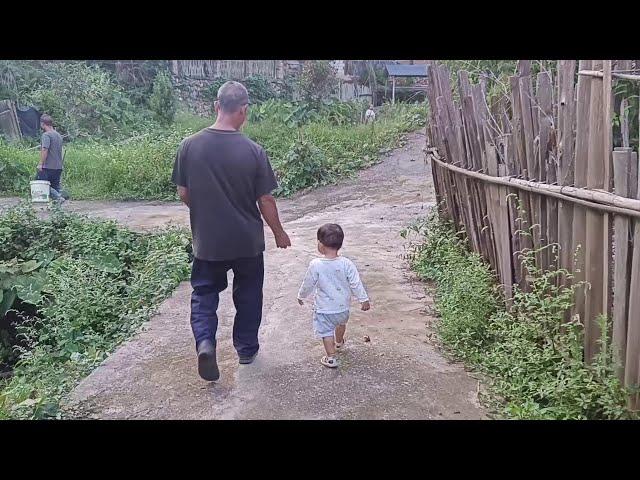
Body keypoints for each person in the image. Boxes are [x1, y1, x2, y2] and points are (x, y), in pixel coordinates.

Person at [172, 81, 291, 382]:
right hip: (247, 241)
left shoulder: (189, 145)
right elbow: (265, 199)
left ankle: (205, 343)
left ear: (216, 106)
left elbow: (184, 193)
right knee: (249, 294)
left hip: (208, 241)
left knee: (204, 293)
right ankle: (246, 350)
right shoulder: (253, 151)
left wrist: (207, 214)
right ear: (244, 110)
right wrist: (278, 232)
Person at [297, 223, 370, 368]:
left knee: (326, 331)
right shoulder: (346, 263)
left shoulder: (316, 264)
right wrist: (363, 299)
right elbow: (356, 283)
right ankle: (339, 342)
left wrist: (301, 295)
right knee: (340, 324)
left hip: (324, 309)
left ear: (321, 245)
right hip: (343, 308)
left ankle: (331, 357)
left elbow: (308, 283)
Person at [37, 114, 65, 202]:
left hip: (48, 166)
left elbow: (45, 150)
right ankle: (58, 209)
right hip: (58, 167)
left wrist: (41, 164)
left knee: (42, 184)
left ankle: (58, 198)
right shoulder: (58, 135)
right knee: (55, 187)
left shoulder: (46, 135)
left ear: (42, 124)